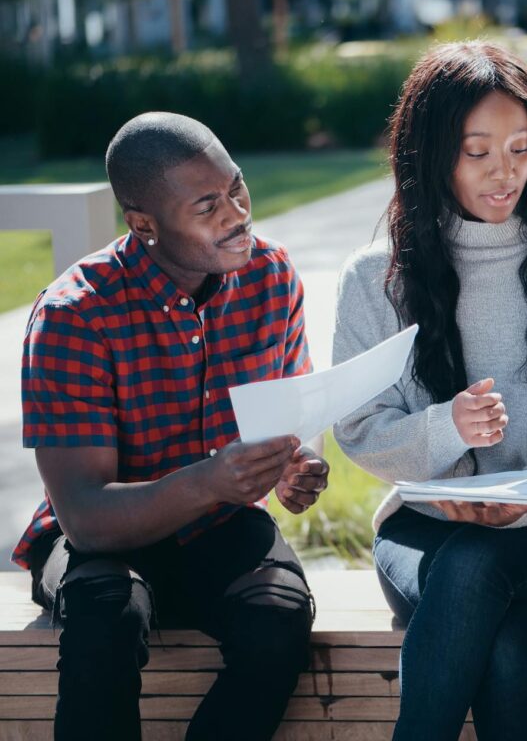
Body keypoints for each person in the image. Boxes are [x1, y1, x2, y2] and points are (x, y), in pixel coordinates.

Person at [331, 41, 527, 741]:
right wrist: (446, 430)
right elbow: (360, 430)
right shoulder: (374, 277)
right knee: (500, 636)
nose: (506, 174)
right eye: (478, 153)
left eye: (521, 148)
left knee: (477, 566)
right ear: (431, 153)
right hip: (421, 530)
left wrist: (521, 500)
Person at [14, 112, 330, 741]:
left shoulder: (270, 274)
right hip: (104, 540)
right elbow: (84, 516)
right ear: (144, 225)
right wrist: (212, 480)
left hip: (217, 527)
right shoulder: (74, 316)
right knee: (106, 614)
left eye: (237, 186)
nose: (237, 211)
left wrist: (300, 463)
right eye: (208, 204)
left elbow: (299, 407)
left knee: (280, 617)